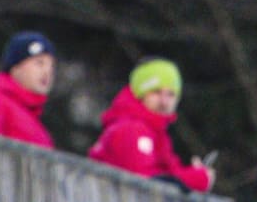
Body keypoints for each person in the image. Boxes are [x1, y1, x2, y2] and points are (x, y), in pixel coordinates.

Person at [88, 58, 215, 193]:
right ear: (140, 94)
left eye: (171, 94)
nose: (164, 102)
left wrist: (195, 175)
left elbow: (165, 173)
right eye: (156, 92)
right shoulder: (131, 129)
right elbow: (142, 182)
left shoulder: (156, 133)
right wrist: (195, 179)